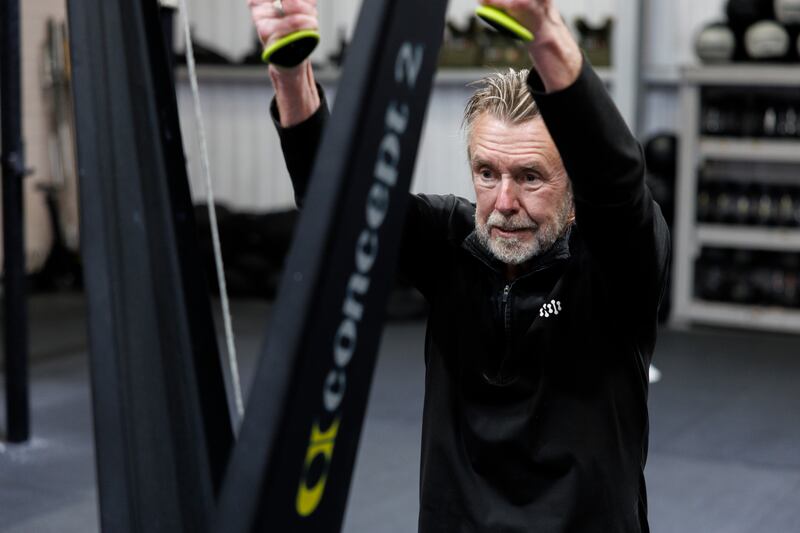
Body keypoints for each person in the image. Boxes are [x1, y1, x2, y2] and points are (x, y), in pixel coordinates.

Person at [248, 0, 670, 531]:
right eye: (487, 173)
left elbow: (618, 183)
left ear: (575, 190)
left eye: (531, 177)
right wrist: (290, 71)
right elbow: (337, 206)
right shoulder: (452, 244)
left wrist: (544, 32)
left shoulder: (616, 268)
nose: (504, 202)